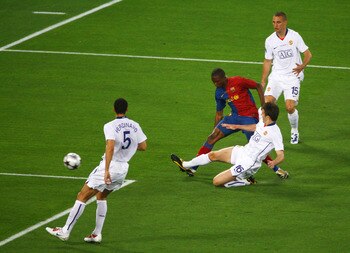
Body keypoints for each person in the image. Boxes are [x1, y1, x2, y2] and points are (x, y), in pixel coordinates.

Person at [46, 98, 147, 243]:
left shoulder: (110, 126)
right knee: (101, 196)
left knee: (82, 196)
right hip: (123, 168)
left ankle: (65, 230)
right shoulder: (135, 125)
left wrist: (106, 170)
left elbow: (110, 147)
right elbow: (143, 146)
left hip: (110, 166)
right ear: (127, 109)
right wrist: (128, 149)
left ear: (114, 109)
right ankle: (96, 234)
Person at [186, 68, 288, 179]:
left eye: (218, 81)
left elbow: (258, 86)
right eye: (213, 82)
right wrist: (216, 129)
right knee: (212, 137)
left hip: (249, 116)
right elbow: (219, 113)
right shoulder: (219, 92)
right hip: (234, 117)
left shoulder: (238, 81)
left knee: (255, 146)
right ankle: (192, 167)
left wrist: (264, 106)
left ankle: (276, 169)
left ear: (224, 78)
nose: (216, 84)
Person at [171, 102, 284, 187]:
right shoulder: (263, 122)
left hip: (249, 163)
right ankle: (185, 165)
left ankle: (244, 180)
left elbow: (281, 155)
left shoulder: (275, 133)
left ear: (268, 117)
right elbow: (255, 127)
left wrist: (274, 162)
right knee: (212, 155)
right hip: (243, 151)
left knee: (216, 182)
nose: (261, 114)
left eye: (263, 113)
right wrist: (236, 126)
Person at [261, 11, 312, 144]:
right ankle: (267, 133)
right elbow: (267, 61)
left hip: (293, 77)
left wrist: (302, 66)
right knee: (268, 104)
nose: (275, 25)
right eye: (273, 22)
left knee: (289, 107)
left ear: (285, 22)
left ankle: (294, 130)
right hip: (276, 77)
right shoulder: (270, 40)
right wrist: (263, 79)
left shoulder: (294, 36)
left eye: (278, 22)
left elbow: (308, 54)